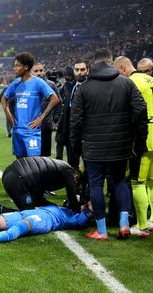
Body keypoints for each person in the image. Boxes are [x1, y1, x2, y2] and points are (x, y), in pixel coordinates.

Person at [70, 48, 148, 240]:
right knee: (120, 181)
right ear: (111, 62)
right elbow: (140, 111)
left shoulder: (84, 88)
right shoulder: (126, 83)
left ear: (93, 64)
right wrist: (138, 139)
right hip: (121, 146)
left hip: (94, 147)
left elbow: (76, 122)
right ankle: (123, 226)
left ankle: (102, 230)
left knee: (96, 185)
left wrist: (76, 150)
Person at [114, 56, 153, 237]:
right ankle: (151, 221)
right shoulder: (150, 79)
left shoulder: (130, 83)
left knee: (138, 182)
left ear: (122, 68)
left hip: (144, 137)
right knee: (152, 183)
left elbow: (132, 113)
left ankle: (142, 225)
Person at [1, 52, 60, 158]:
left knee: (34, 164)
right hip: (18, 130)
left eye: (17, 66)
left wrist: (41, 118)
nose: (15, 68)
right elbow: (4, 99)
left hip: (32, 131)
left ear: (26, 67)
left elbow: (55, 99)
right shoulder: (15, 83)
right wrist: (10, 117)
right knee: (20, 163)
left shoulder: (38, 82)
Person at [0, 204, 93, 246]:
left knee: (19, 227)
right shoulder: (61, 207)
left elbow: (82, 221)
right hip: (29, 212)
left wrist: (91, 205)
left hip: (45, 220)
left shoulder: (75, 218)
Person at [2, 156, 81, 212]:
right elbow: (72, 198)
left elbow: (38, 199)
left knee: (28, 210)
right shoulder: (68, 172)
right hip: (18, 179)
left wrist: (54, 207)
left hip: (10, 174)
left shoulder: (56, 168)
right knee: (30, 214)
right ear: (76, 176)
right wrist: (78, 210)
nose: (74, 184)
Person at [56, 60, 89, 166]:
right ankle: (75, 181)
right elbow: (66, 111)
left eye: (82, 70)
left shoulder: (92, 86)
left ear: (87, 71)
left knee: (88, 164)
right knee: (72, 163)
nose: (79, 72)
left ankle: (86, 181)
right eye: (77, 70)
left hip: (87, 133)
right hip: (71, 133)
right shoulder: (69, 88)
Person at [31, 63, 60, 157]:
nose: (39, 73)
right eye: (36, 71)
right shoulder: (26, 85)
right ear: (31, 72)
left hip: (45, 127)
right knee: (32, 156)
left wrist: (54, 120)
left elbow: (58, 102)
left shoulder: (51, 85)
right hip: (31, 128)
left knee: (45, 157)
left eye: (41, 70)